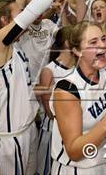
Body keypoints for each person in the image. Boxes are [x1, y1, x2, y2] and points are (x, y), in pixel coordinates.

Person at [0, 0, 83, 174]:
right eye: (20, 14)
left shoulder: (14, 46)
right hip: (6, 140)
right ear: (5, 22)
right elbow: (31, 11)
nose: (25, 15)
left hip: (26, 131)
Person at [50, 21, 106, 174]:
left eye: (103, 39)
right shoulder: (67, 89)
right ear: (78, 51)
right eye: (94, 42)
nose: (103, 45)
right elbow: (74, 152)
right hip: (78, 168)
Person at [36, 26, 75, 175]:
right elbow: (49, 112)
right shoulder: (49, 70)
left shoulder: (79, 67)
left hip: (74, 131)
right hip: (53, 132)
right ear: (67, 43)